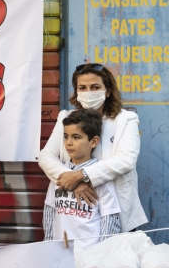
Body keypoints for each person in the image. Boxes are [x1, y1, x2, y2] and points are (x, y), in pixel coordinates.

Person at [39, 63, 148, 233]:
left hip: (118, 211)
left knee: (112, 258)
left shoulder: (125, 119)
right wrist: (73, 182)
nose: (88, 92)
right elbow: (46, 156)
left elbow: (126, 160)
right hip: (75, 215)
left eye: (95, 87)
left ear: (108, 91)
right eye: (82, 87)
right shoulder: (66, 118)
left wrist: (82, 176)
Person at [43, 109, 121, 249]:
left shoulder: (100, 177)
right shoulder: (58, 175)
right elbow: (49, 215)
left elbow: (109, 221)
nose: (69, 143)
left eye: (76, 137)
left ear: (93, 141)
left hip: (89, 256)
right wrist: (49, 249)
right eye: (66, 137)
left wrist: (102, 254)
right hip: (60, 254)